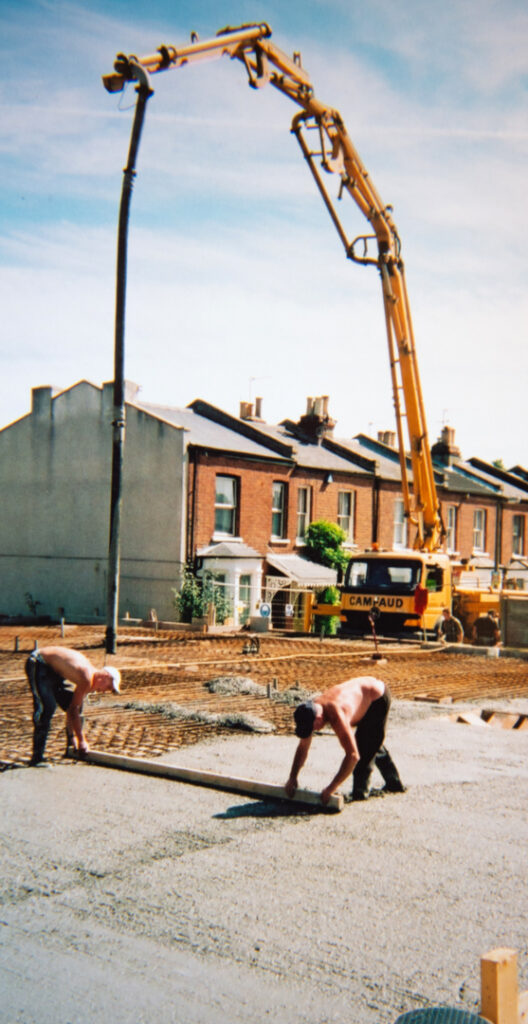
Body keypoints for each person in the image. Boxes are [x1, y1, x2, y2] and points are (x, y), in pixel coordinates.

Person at [285, 676, 405, 805]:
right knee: (371, 739)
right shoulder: (310, 711)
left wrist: (331, 788)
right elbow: (303, 747)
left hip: (377, 698)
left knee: (364, 747)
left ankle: (360, 794)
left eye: (312, 728)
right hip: (363, 699)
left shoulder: (336, 714)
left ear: (318, 719)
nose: (313, 731)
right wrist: (293, 777)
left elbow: (353, 755)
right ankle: (394, 783)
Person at [25, 646, 121, 765]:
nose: (105, 691)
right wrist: (82, 740)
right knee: (47, 707)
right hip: (39, 662)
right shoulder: (87, 678)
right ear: (105, 676)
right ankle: (36, 758)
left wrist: (73, 737)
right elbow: (73, 710)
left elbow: (72, 707)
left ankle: (71, 746)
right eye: (109, 687)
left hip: (54, 670)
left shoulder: (91, 676)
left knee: (70, 702)